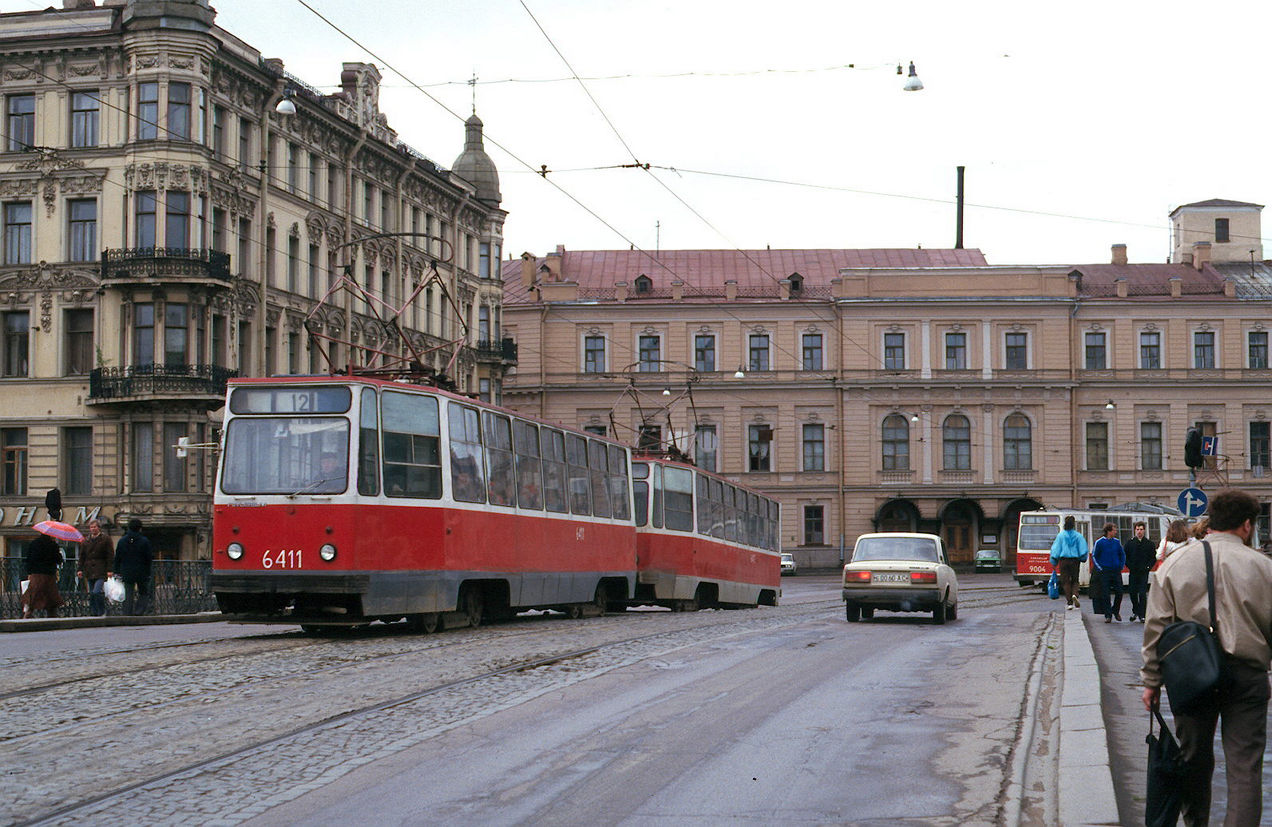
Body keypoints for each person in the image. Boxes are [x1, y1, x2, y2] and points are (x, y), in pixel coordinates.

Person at [1141, 488, 1272, 826]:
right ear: (1247, 525)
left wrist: (1151, 681)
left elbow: (1156, 626)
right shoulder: (1263, 567)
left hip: (1190, 675)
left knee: (1193, 759)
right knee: (1245, 767)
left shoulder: (1175, 563)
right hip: (1248, 676)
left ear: (1211, 522)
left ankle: (1196, 822)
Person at [113, 518, 154, 616]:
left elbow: (117, 557)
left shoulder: (122, 541)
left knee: (128, 593)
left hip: (126, 571)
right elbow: (148, 557)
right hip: (141, 571)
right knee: (143, 592)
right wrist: (148, 571)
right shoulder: (144, 541)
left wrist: (117, 570)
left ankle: (127, 613)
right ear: (140, 529)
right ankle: (139, 611)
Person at [21, 530, 64, 619]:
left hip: (36, 574)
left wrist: (29, 572)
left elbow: (29, 559)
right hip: (49, 574)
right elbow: (58, 560)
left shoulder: (34, 544)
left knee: (33, 596)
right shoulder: (53, 545)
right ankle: (52, 616)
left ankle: (27, 615)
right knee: (50, 596)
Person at [1049, 515, 1088, 610]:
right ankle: (1075, 594)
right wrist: (1082, 558)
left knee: (1065, 581)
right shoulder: (1078, 536)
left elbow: (1055, 549)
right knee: (1075, 580)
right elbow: (1083, 549)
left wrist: (1054, 561)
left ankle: (1069, 602)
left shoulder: (1061, 536)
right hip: (1075, 560)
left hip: (1063, 561)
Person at [77, 518, 114, 616]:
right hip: (89, 569)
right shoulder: (86, 541)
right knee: (92, 593)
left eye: (95, 527)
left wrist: (109, 570)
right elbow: (82, 556)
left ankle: (101, 610)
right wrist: (80, 569)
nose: (93, 529)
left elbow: (110, 555)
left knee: (96, 591)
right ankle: (94, 612)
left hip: (101, 569)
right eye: (91, 527)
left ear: (99, 528)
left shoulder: (105, 539)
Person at [1091, 522, 1125, 622]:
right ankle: (1108, 615)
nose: (1116, 532)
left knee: (1119, 592)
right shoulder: (1099, 542)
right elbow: (1094, 556)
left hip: (1116, 570)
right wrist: (1100, 568)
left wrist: (1121, 565)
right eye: (1114, 530)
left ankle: (1115, 610)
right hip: (1104, 571)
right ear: (1109, 531)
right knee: (1105, 594)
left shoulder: (1117, 542)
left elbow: (1122, 554)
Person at [1122, 520, 1155, 622]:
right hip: (1133, 572)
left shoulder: (1149, 544)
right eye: (1137, 529)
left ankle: (1142, 614)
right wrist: (1129, 566)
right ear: (1135, 531)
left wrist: (1148, 567)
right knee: (1132, 592)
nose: (1139, 531)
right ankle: (1135, 610)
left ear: (1144, 531)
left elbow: (1153, 558)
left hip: (1144, 572)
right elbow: (1125, 556)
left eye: (1141, 529)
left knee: (1142, 593)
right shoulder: (1130, 543)